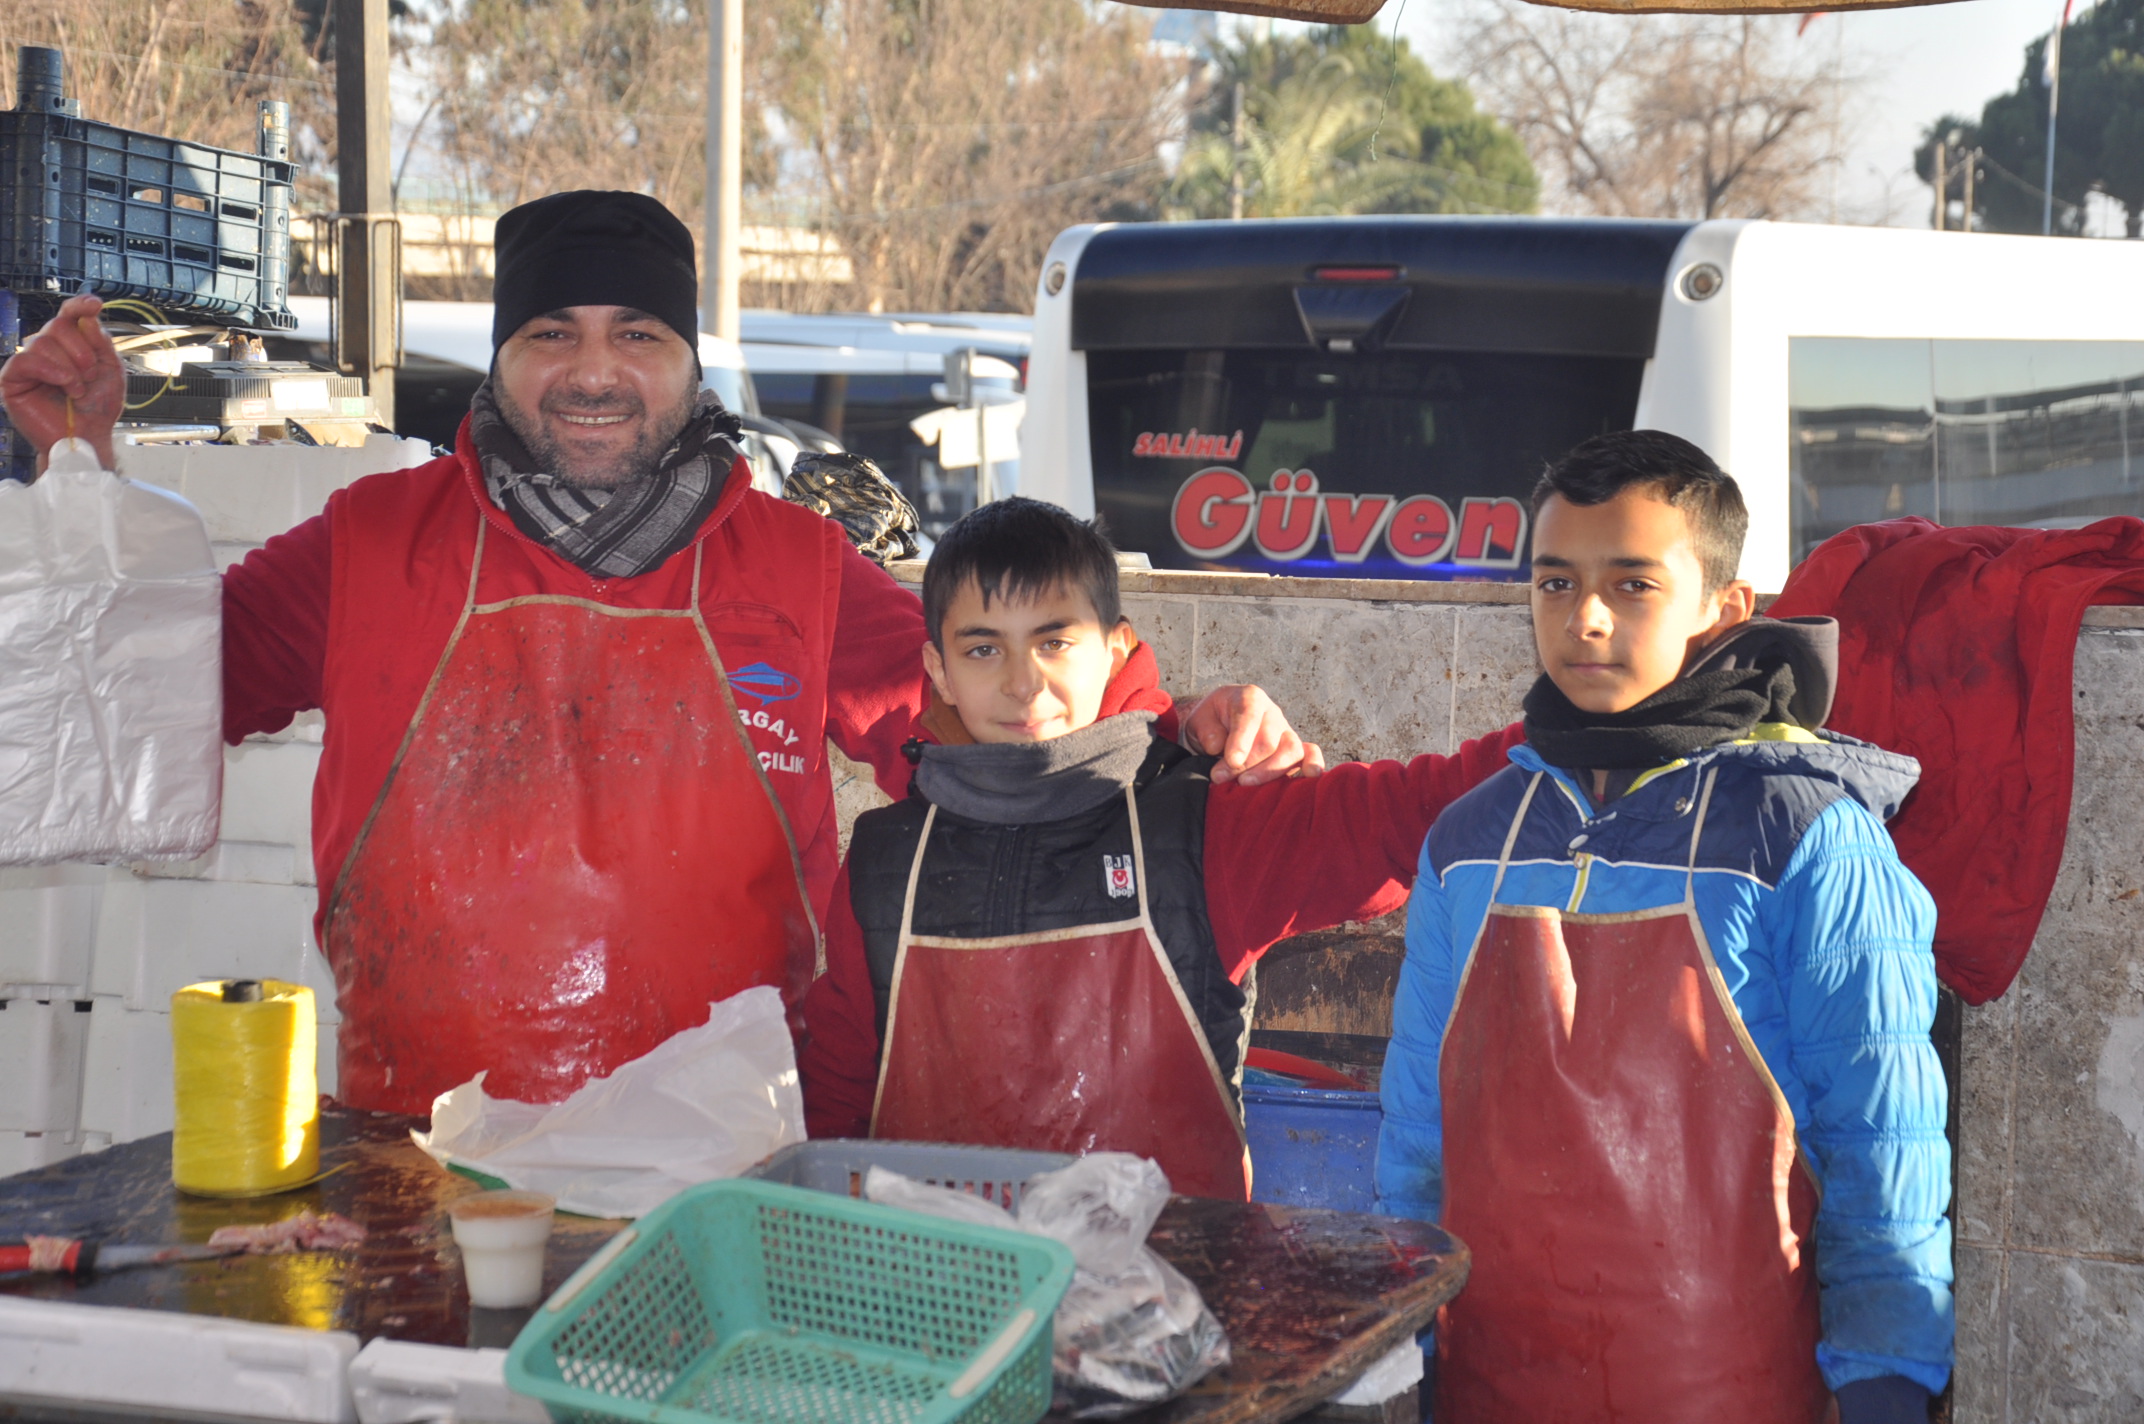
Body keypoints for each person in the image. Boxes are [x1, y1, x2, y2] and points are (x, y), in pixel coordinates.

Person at [0, 191, 1312, 1116]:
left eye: (639, 335)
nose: (595, 370)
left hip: (730, 1156)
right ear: (498, 364)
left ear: (688, 370)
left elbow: (1023, 716)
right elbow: (160, 698)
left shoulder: (793, 566)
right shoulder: (371, 543)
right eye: (550, 333)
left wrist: (1191, 733)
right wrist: (80, 475)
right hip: (418, 1151)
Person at [1376, 431, 1952, 1424]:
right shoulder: (1467, 842)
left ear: (1720, 611)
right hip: (1490, 1384)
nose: (1583, 618)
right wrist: (1401, 1347)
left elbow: (1879, 1148)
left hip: (1727, 1387)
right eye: (1554, 582)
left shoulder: (1806, 836)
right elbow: (1415, 1140)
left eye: (1631, 584)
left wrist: (1886, 1390)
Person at [798, 497, 1522, 1199]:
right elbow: (833, 1110)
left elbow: (1418, 809)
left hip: (1173, 1296)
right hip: (950, 1302)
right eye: (984, 648)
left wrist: (1581, 727)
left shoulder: (1205, 826)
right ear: (937, 671)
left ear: (1115, 649)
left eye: (1054, 641)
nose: (1024, 683)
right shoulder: (886, 863)